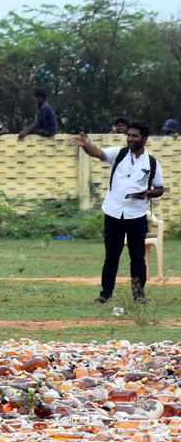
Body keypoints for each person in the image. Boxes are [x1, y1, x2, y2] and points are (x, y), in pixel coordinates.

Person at [72, 120, 165, 304]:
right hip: (114, 212)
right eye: (129, 135)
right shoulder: (119, 154)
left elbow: (160, 189)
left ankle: (138, 295)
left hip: (136, 215)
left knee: (137, 257)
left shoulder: (152, 163)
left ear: (144, 139)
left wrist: (148, 193)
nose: (130, 139)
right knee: (111, 256)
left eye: (134, 136)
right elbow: (98, 153)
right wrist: (85, 145)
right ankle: (105, 295)